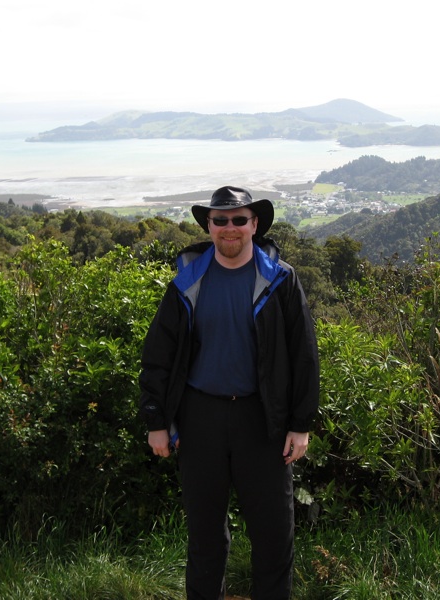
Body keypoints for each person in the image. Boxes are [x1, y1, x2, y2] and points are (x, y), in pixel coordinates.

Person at [138, 185, 320, 599]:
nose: (230, 228)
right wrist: (156, 422)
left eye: (240, 219)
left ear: (255, 225)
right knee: (204, 539)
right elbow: (158, 357)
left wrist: (300, 424)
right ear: (209, 225)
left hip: (263, 421)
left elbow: (304, 355)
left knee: (274, 539)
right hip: (201, 419)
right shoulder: (187, 280)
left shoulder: (281, 280)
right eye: (220, 220)